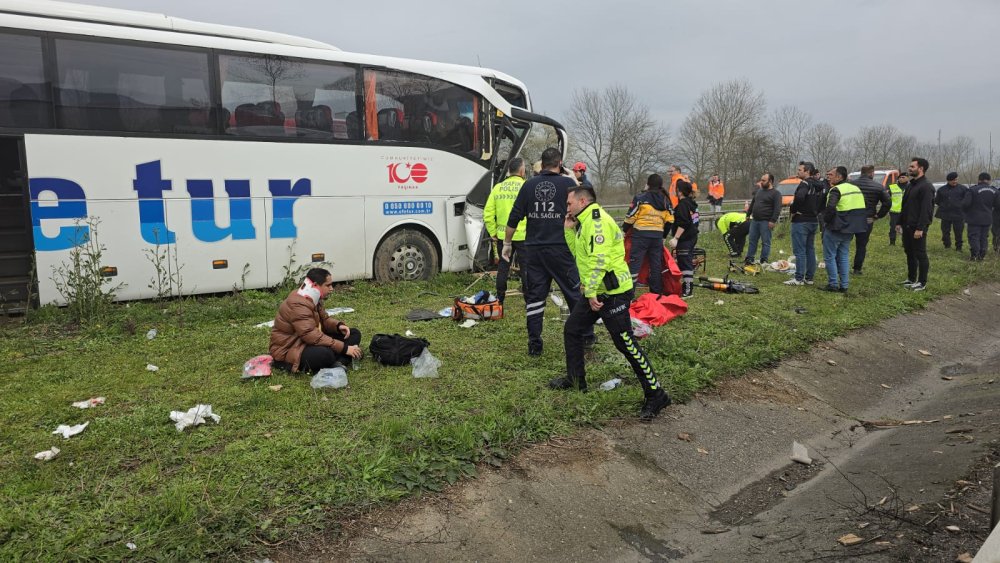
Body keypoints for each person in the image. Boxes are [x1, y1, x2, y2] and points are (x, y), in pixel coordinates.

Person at [555, 185, 671, 420]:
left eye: (569, 203)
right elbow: (581, 257)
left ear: (583, 202)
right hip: (597, 290)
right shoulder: (583, 222)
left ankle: (656, 393)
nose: (566, 207)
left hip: (614, 292)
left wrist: (590, 292)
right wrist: (568, 231)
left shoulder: (596, 222)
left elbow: (600, 260)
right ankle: (576, 380)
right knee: (573, 330)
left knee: (625, 343)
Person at [504, 147, 595, 356]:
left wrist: (507, 244)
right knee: (574, 293)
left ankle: (535, 345)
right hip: (562, 249)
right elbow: (585, 211)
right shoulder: (568, 185)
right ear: (559, 162)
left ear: (541, 163)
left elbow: (513, 218)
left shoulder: (528, 185)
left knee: (535, 297)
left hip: (534, 251)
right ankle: (587, 336)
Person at [269, 268, 363, 374]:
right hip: (290, 349)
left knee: (354, 333)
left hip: (308, 341)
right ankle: (339, 360)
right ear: (315, 285)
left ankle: (337, 363)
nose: (331, 289)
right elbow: (310, 335)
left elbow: (324, 320)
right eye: (328, 285)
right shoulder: (298, 303)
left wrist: (338, 326)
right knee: (325, 354)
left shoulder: (312, 297)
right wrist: (344, 348)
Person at [484, 158, 526, 305]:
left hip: (503, 236)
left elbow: (488, 213)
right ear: (522, 171)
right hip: (524, 236)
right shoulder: (526, 186)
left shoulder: (498, 188)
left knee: (503, 267)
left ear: (509, 171)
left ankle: (500, 299)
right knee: (526, 268)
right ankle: (530, 299)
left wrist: (493, 232)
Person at [623, 173, 672, 293]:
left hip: (640, 236)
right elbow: (670, 220)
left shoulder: (640, 198)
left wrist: (624, 230)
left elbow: (630, 217)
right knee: (655, 265)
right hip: (657, 237)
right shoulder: (666, 200)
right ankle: (656, 294)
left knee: (635, 264)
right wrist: (663, 236)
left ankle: (628, 294)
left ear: (648, 184)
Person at [819, 167, 867, 293]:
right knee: (844, 256)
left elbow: (830, 207)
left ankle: (833, 284)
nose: (829, 176)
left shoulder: (836, 190)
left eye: (832, 174)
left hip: (836, 227)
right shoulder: (856, 189)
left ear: (840, 177)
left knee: (829, 256)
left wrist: (826, 221)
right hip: (851, 228)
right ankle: (844, 285)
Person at [897, 158, 935, 291]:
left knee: (920, 253)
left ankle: (922, 282)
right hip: (907, 226)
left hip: (917, 227)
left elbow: (927, 210)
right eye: (910, 166)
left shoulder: (926, 186)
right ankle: (911, 278)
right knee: (909, 252)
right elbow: (905, 205)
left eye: (912, 166)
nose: (909, 168)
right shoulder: (911, 185)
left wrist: (920, 228)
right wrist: (899, 222)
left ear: (921, 168)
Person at [785, 161, 823, 286]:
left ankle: (799, 278)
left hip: (801, 221)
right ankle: (809, 278)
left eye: (800, 170)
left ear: (807, 172)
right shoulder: (820, 185)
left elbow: (800, 198)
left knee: (800, 251)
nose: (798, 172)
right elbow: (823, 201)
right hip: (813, 220)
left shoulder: (804, 184)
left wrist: (794, 210)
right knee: (810, 249)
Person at [851, 165, 892, 275]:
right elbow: (888, 203)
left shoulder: (851, 185)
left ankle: (841, 266)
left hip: (851, 218)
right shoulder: (878, 186)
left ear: (861, 172)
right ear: (872, 173)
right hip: (867, 219)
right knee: (861, 245)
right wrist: (878, 216)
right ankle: (857, 269)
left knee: (844, 243)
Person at [669, 180, 700, 298]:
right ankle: (687, 286)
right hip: (692, 236)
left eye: (676, 189)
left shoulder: (683, 205)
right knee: (686, 261)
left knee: (685, 263)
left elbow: (683, 223)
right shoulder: (692, 203)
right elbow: (694, 221)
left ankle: (688, 290)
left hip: (685, 238)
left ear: (680, 192)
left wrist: (676, 238)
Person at [744, 173, 781, 265]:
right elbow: (753, 203)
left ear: (770, 181)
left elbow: (777, 208)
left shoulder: (776, 194)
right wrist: (748, 214)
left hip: (766, 221)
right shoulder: (759, 191)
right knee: (752, 240)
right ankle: (750, 258)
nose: (761, 182)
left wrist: (773, 220)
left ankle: (764, 260)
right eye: (761, 180)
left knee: (766, 242)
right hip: (755, 220)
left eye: (764, 180)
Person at [963, 172, 999, 261]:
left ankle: (974, 255)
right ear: (989, 180)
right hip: (987, 218)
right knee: (984, 237)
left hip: (974, 218)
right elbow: (998, 205)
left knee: (974, 236)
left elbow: (965, 204)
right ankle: (981, 256)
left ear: (979, 180)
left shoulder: (972, 190)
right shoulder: (995, 191)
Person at [934, 172, 968, 251]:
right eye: (952, 180)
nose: (954, 181)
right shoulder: (942, 190)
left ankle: (959, 247)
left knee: (958, 232)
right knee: (945, 231)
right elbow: (937, 201)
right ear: (948, 181)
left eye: (956, 179)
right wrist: (944, 205)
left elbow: (967, 200)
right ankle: (947, 245)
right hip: (945, 214)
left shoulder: (963, 189)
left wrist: (961, 206)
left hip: (959, 214)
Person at [887, 172, 908, 245]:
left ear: (907, 178)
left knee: (906, 228)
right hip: (894, 211)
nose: (901, 179)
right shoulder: (892, 187)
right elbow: (887, 199)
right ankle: (892, 242)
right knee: (893, 227)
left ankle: (904, 242)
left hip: (906, 211)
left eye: (903, 177)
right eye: (900, 177)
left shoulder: (911, 186)